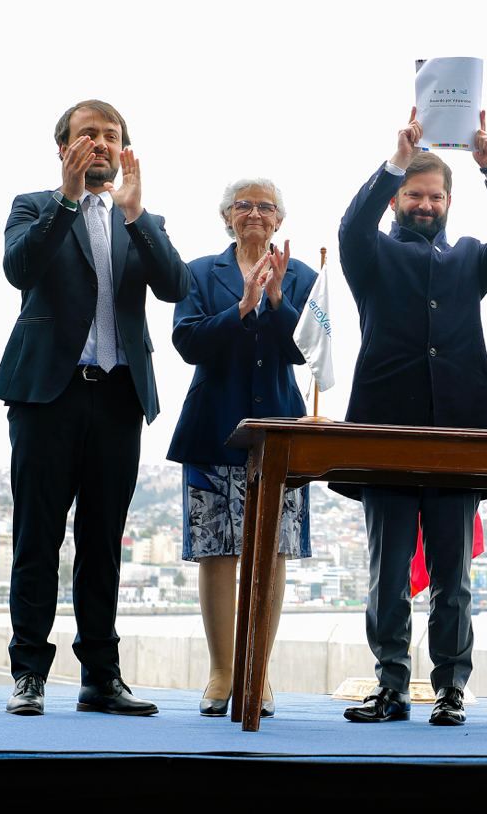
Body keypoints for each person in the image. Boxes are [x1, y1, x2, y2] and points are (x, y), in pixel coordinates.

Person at [0, 100, 190, 716]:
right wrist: (69, 199)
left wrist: (136, 215)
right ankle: (28, 674)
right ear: (64, 147)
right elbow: (19, 268)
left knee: (102, 541)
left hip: (117, 396)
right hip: (47, 393)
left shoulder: (140, 218)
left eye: (111, 136)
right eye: (88, 135)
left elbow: (176, 286)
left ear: (124, 148)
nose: (100, 143)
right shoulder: (34, 206)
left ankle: (101, 677)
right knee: (38, 537)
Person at [337, 108, 487, 726]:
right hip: (385, 434)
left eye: (435, 196)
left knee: (455, 579)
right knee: (387, 576)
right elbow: (351, 224)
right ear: (398, 198)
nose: (425, 204)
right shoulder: (369, 257)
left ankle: (450, 690)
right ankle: (391, 688)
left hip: (459, 435)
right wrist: (395, 158)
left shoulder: (469, 260)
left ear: (450, 201)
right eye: (415, 194)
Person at [168, 178, 317, 718]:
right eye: (243, 205)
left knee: (272, 555)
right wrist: (242, 306)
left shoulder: (304, 274)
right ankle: (222, 671)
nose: (254, 213)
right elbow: (186, 340)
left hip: (280, 433)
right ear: (226, 215)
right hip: (212, 427)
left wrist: (275, 299)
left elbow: (310, 349)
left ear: (279, 219)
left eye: (265, 206)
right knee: (216, 550)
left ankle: (258, 671)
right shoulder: (198, 272)